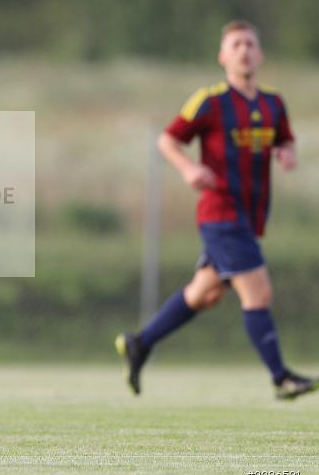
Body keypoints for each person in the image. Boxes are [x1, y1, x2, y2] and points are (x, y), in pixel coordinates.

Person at [116, 20, 317, 400]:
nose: (244, 50)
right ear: (222, 56)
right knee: (258, 294)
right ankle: (281, 378)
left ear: (261, 54)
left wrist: (287, 152)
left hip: (250, 216)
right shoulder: (210, 101)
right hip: (220, 214)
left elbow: (286, 139)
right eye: (236, 44)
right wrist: (190, 168)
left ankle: (140, 342)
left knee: (205, 293)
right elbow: (167, 140)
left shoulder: (274, 103)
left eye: (250, 44)